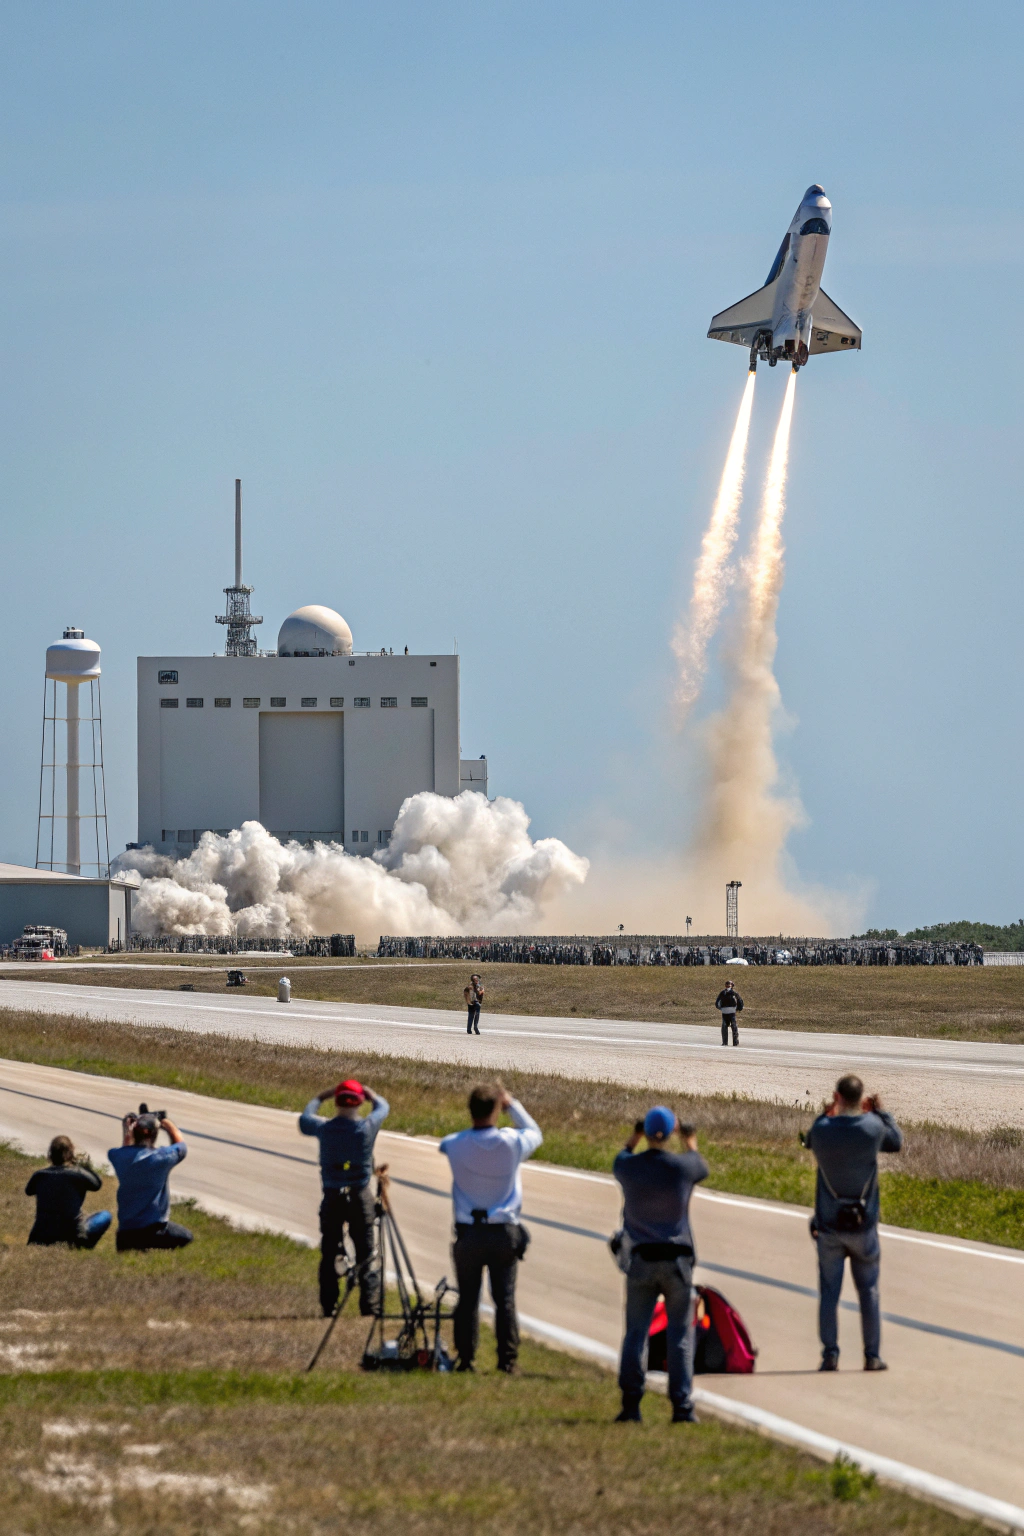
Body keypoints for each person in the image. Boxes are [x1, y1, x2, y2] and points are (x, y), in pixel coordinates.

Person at [613, 1107, 708, 1424]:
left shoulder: (629, 1168)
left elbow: (621, 1157)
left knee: (636, 1333)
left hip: (641, 1259)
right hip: (676, 1261)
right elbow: (700, 1164)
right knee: (680, 1335)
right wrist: (689, 1139)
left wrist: (635, 1135)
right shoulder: (682, 1168)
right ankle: (682, 1407)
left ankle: (631, 1405)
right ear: (670, 1133)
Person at [439, 1081, 542, 1374]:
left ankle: (467, 1359)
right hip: (503, 1233)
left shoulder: (455, 1144)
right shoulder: (511, 1143)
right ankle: (507, 1361)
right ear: (497, 1110)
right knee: (505, 1300)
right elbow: (535, 1133)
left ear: (470, 1111)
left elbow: (445, 1144)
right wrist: (512, 1105)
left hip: (469, 1232)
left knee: (468, 1299)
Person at [804, 1074, 903, 1372]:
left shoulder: (822, 1131)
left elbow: (810, 1138)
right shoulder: (872, 1128)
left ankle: (829, 1354)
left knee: (829, 1294)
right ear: (861, 1101)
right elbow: (895, 1141)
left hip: (830, 1227)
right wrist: (880, 1111)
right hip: (864, 1227)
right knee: (869, 1293)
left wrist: (827, 1113)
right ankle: (872, 1356)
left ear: (837, 1097)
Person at [299, 1078, 389, 1317]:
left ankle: (329, 1305)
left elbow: (304, 1118)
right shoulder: (366, 1128)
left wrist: (320, 1096)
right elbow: (383, 1107)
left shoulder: (324, 1128)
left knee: (329, 1252)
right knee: (367, 1254)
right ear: (359, 1102)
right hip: (360, 1196)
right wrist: (372, 1094)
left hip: (332, 1197)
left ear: (336, 1101)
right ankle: (369, 1307)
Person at [109, 1108, 192, 1252]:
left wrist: (128, 1130)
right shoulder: (161, 1158)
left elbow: (126, 1150)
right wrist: (165, 1121)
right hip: (153, 1231)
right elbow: (181, 1145)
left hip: (125, 1233)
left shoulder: (116, 1156)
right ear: (154, 1135)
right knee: (186, 1237)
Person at [25, 1135, 112, 1249]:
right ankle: (84, 1245)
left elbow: (28, 1191)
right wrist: (85, 1167)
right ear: (70, 1154)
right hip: (72, 1234)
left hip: (41, 1235)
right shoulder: (78, 1173)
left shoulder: (39, 1175)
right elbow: (97, 1184)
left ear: (50, 1154)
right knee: (105, 1215)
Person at [715, 980, 743, 1045]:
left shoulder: (734, 993)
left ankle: (735, 1042)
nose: (728, 986)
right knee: (724, 1026)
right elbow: (717, 1001)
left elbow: (740, 1001)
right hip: (724, 1013)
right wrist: (720, 1008)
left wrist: (739, 1008)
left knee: (734, 1026)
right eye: (727, 984)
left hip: (732, 1013)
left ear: (732, 986)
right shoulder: (722, 993)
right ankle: (724, 1042)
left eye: (729, 985)